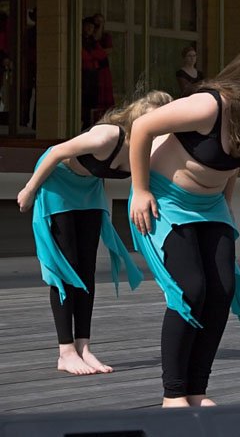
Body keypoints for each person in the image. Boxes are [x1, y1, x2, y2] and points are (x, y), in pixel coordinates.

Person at [128, 41, 240, 407]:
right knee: (191, 291)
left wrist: (226, 204)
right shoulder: (209, 105)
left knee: (222, 291)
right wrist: (140, 189)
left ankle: (197, 389)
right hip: (166, 202)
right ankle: (173, 394)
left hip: (211, 207)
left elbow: (233, 161)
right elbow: (143, 127)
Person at [17, 90, 172, 376]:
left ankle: (83, 346)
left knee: (87, 268)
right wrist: (29, 189)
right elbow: (56, 152)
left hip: (88, 190)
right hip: (58, 184)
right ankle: (65, 352)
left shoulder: (147, 150)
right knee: (66, 267)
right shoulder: (107, 137)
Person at [92, 13, 115, 118]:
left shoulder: (106, 36)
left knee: (105, 92)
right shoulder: (90, 36)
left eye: (101, 22)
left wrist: (97, 53)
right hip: (93, 67)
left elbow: (109, 50)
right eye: (96, 21)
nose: (98, 24)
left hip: (103, 67)